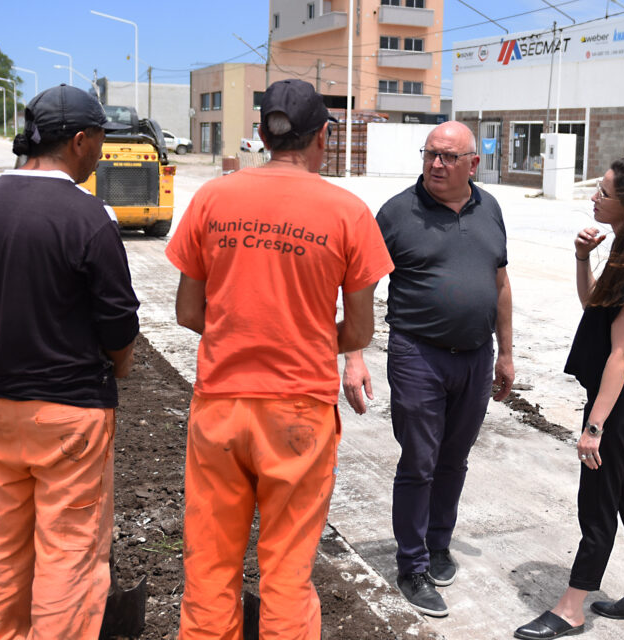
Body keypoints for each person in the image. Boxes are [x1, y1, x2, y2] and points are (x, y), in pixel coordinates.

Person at [166, 78, 393, 639]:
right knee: (287, 573)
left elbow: (189, 313)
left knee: (211, 566)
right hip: (299, 414)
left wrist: (243, 326)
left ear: (263, 134)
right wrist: (303, 334)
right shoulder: (347, 211)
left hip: (219, 405)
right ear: (320, 138)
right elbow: (360, 328)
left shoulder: (213, 199)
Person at [0, 84, 139, 640]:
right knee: (70, 552)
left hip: (1, 407)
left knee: (3, 540)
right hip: (71, 416)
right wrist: (120, 366)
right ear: (80, 140)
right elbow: (119, 324)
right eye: (101, 141)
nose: (102, 153)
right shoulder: (88, 219)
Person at [341, 120, 514, 617]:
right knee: (419, 460)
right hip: (418, 354)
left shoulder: (491, 209)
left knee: (454, 459)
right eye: (430, 154)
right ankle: (412, 564)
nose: (437, 164)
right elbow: (360, 287)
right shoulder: (397, 213)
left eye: (449, 157)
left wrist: (506, 350)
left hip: (477, 356)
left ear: (473, 164)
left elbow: (500, 282)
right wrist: (354, 356)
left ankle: (439, 543)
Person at [514, 156, 624, 640]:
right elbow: (592, 308)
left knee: (598, 501)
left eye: (604, 193)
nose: (595, 198)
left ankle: (571, 607)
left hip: (617, 402)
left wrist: (594, 426)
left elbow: (621, 353)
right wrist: (582, 259)